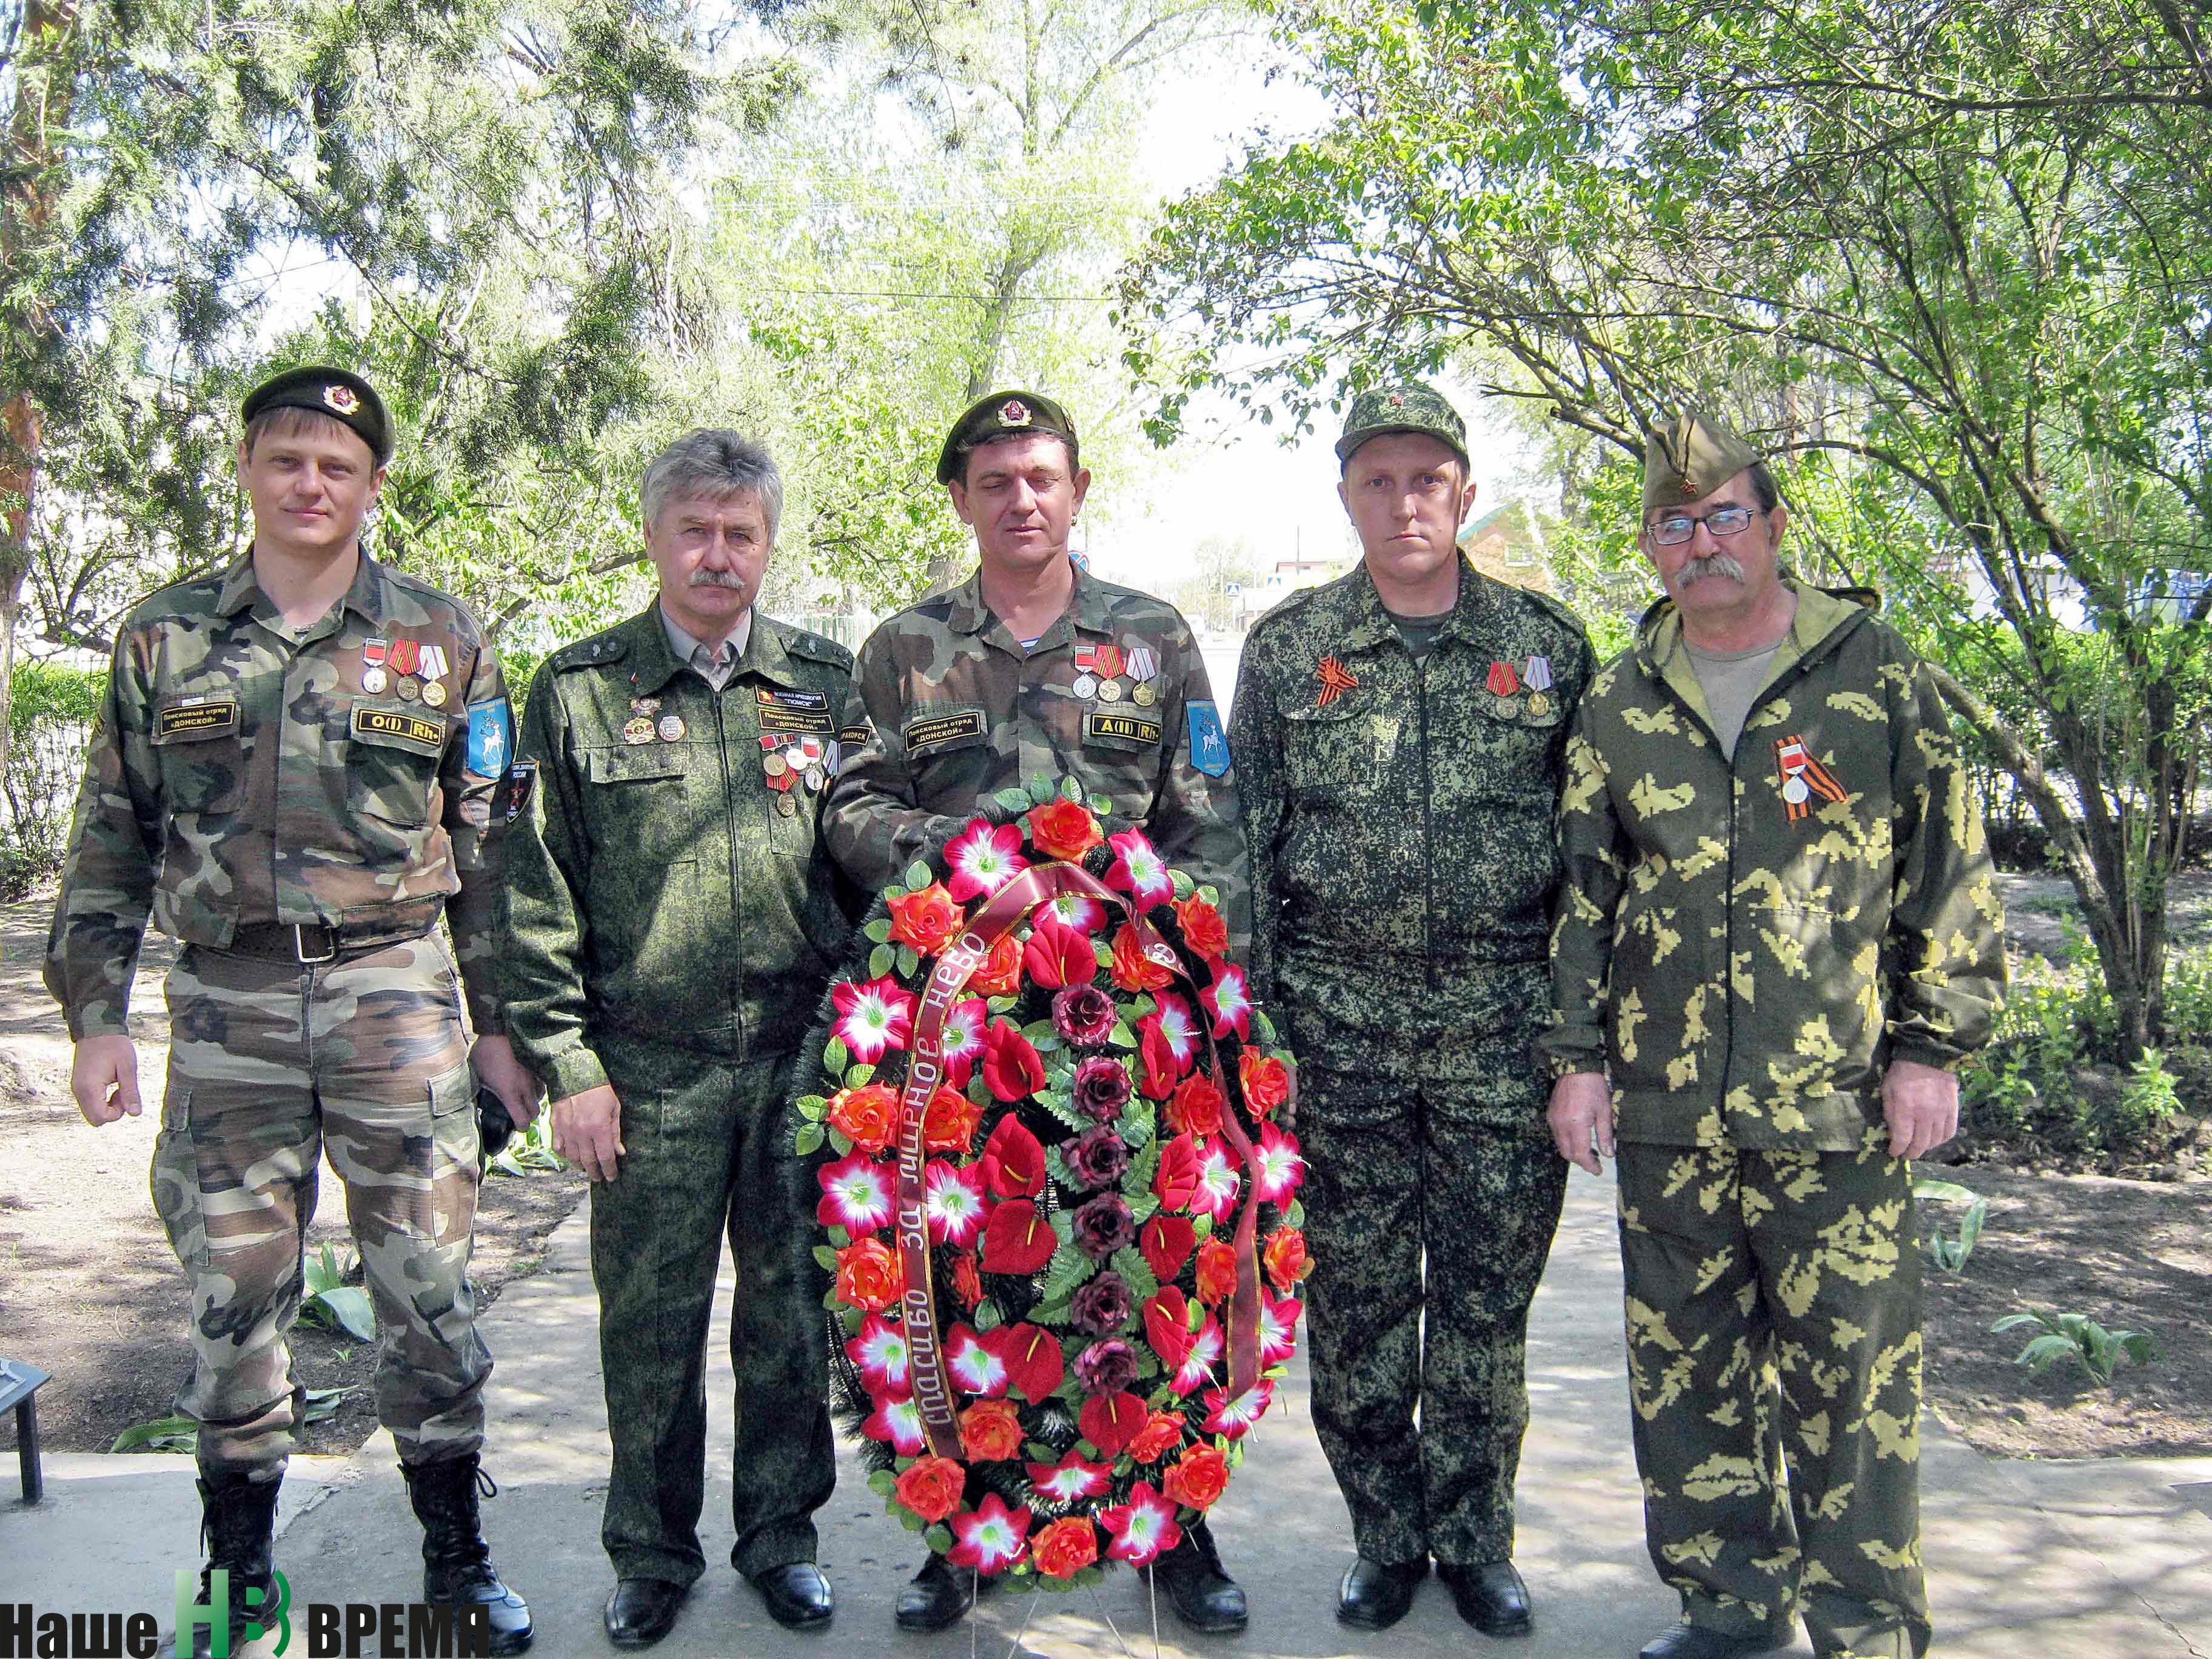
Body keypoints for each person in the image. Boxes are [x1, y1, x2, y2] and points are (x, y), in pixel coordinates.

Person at [45, 366, 537, 1656]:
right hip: (228, 1000)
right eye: (288, 460)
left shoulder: (441, 639)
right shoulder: (168, 635)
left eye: (338, 465)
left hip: (396, 995)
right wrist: (97, 1013)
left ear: (373, 486)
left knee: (428, 1287)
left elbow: (489, 851)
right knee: (234, 1293)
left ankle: (456, 1556)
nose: (311, 483)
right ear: (252, 473)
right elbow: (110, 834)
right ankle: (243, 1564)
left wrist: (500, 1026)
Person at [1544, 411, 2005, 1659]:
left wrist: (1932, 1048)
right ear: (1649, 546)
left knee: (1853, 1386)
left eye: (1725, 515)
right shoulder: (1618, 704)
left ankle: (1867, 1624)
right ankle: (1729, 1605)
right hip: (1665, 1110)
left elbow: (1948, 872)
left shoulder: (1876, 676)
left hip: (1839, 1103)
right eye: (1675, 523)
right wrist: (1576, 1065)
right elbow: (1585, 893)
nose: (1703, 544)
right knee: (1685, 1376)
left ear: (1775, 524)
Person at [822, 389, 1252, 1635]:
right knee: (966, 1273)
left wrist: (1211, 1000)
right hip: (958, 1033)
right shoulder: (907, 649)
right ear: (961, 498)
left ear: (1076, 491)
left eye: (1043, 477)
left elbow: (1204, 821)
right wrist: (960, 854)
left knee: (1153, 1259)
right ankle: (967, 1529)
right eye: (996, 479)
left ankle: (1175, 1526)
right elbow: (849, 811)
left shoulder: (1153, 635)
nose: (1022, 498)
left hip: (1129, 1028)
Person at [1227, 382, 1591, 1637]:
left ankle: (1478, 1538)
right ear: (1346, 497)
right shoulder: (1288, 651)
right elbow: (1249, 854)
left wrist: (1575, 1047)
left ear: (1467, 493)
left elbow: (1595, 867)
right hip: (1339, 1041)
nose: (1405, 502)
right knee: (1363, 1305)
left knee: (1488, 1310)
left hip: (1501, 1037)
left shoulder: (1546, 646)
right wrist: (1256, 1047)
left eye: (1427, 478)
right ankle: (1384, 1536)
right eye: (1378, 480)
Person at [498, 431, 854, 1649]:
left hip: (803, 1064)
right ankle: (652, 1552)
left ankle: (781, 1540)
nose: (717, 555)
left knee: (792, 1318)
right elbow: (532, 891)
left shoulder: (827, 684)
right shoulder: (581, 687)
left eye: (740, 533)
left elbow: (871, 878)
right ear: (654, 535)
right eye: (694, 530)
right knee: (648, 1328)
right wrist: (569, 1068)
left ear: (767, 544)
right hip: (645, 1071)